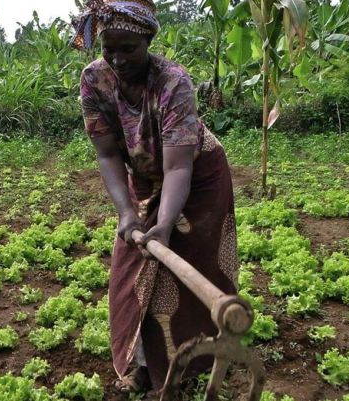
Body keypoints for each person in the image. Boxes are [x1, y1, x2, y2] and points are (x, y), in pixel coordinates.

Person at [71, 0, 238, 395]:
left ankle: (192, 362)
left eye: (128, 49)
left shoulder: (173, 81)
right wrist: (127, 214)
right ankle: (140, 363)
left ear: (148, 39)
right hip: (144, 176)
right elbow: (108, 153)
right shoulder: (94, 80)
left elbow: (179, 167)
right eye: (108, 48)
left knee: (190, 266)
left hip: (198, 177)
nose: (117, 58)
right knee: (131, 274)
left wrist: (164, 225)